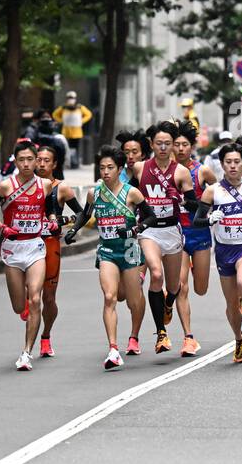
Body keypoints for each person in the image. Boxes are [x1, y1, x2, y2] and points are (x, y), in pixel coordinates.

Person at [63, 146, 155, 369]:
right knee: (110, 296)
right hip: (107, 251)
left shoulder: (132, 192)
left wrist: (134, 230)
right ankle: (113, 349)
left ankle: (133, 336)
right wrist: (74, 230)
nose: (105, 172)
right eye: (102, 168)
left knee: (133, 300)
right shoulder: (95, 192)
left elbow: (151, 216)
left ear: (120, 169)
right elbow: (86, 213)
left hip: (130, 250)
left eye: (110, 167)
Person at [0, 140, 55, 372]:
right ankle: (24, 310)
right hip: (12, 249)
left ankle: (26, 352)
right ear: (15, 161)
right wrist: (2, 228)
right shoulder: (4, 187)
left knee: (35, 300)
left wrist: (51, 219)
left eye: (30, 159)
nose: (26, 164)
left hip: (35, 247)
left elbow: (48, 207)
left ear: (36, 160)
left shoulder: (45, 185)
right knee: (17, 305)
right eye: (21, 160)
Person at [192, 143, 242, 365]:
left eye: (237, 162)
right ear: (222, 164)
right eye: (228, 162)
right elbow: (197, 220)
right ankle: (238, 338)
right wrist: (210, 219)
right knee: (231, 303)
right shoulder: (212, 191)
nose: (233, 166)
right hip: (224, 250)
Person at [134, 121, 198, 353]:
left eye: (167, 144)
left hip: (172, 230)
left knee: (174, 286)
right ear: (151, 144)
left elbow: (194, 205)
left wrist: (180, 199)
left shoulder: (181, 172)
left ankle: (168, 304)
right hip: (149, 231)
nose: (163, 147)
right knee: (156, 273)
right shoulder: (140, 168)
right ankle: (161, 333)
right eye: (158, 143)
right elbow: (131, 195)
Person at [34, 144, 82, 358]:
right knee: (29, 295)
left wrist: (65, 223)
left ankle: (45, 336)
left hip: (50, 244)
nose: (42, 163)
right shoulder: (23, 186)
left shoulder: (61, 188)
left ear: (54, 164)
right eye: (39, 159)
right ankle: (27, 305)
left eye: (46, 160)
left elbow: (82, 214)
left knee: (48, 299)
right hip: (26, 244)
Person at [171, 122, 212, 357]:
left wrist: (206, 208)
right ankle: (188, 338)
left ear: (192, 147)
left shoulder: (202, 171)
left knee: (201, 288)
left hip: (200, 233)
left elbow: (220, 193)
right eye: (176, 144)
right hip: (177, 233)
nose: (180, 149)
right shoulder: (168, 173)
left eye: (184, 144)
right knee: (181, 286)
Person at [52, 91, 93, 169]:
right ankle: (68, 163)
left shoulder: (80, 107)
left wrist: (82, 121)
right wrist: (61, 121)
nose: (71, 99)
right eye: (69, 98)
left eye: (72, 98)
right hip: (66, 132)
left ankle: (75, 163)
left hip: (76, 133)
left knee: (75, 149)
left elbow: (89, 114)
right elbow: (55, 114)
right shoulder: (63, 108)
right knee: (67, 148)